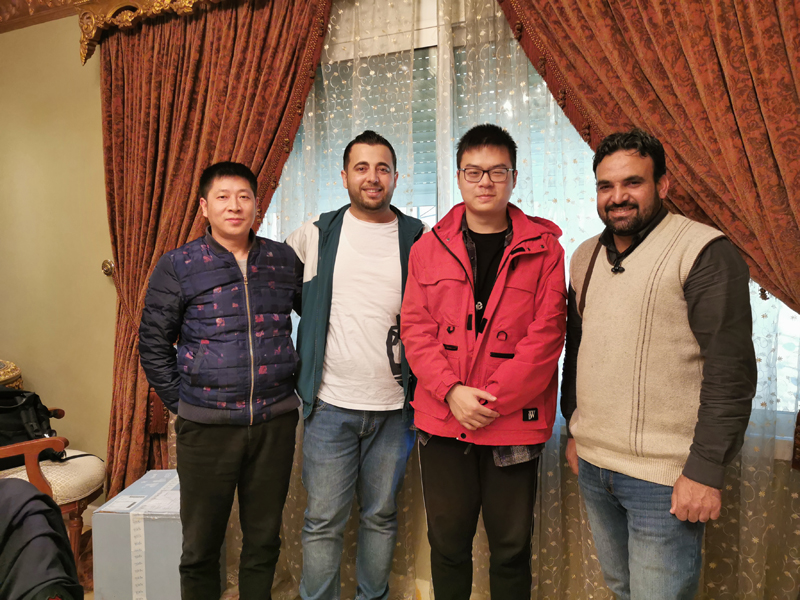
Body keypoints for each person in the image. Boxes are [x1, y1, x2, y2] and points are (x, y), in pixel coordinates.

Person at [561, 129, 757, 600]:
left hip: (665, 478)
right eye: (606, 186)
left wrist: (705, 470)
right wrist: (573, 429)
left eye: (633, 182)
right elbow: (577, 348)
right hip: (594, 464)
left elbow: (730, 372)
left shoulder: (704, 251)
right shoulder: (585, 256)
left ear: (663, 185)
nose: (618, 197)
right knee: (621, 589)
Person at [400, 123, 567, 600]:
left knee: (511, 548)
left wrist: (491, 400)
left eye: (497, 171)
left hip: (511, 419)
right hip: (443, 417)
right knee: (447, 544)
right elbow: (415, 329)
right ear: (458, 177)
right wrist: (451, 392)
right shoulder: (428, 248)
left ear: (514, 177)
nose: (485, 182)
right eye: (474, 172)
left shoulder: (546, 250)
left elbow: (546, 336)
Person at [139, 161, 302, 600]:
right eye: (223, 197)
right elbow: (152, 343)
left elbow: (320, 319)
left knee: (264, 540)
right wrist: (185, 402)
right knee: (201, 546)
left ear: (257, 205)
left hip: (274, 422)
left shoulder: (283, 260)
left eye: (244, 196)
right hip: (206, 428)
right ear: (204, 207)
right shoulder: (179, 265)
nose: (235, 206)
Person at [286, 130, 426, 600]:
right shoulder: (315, 233)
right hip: (329, 405)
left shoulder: (418, 237)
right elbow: (284, 292)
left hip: (396, 410)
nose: (372, 177)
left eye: (382, 168)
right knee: (323, 521)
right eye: (362, 168)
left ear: (396, 177)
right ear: (344, 176)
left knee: (380, 517)